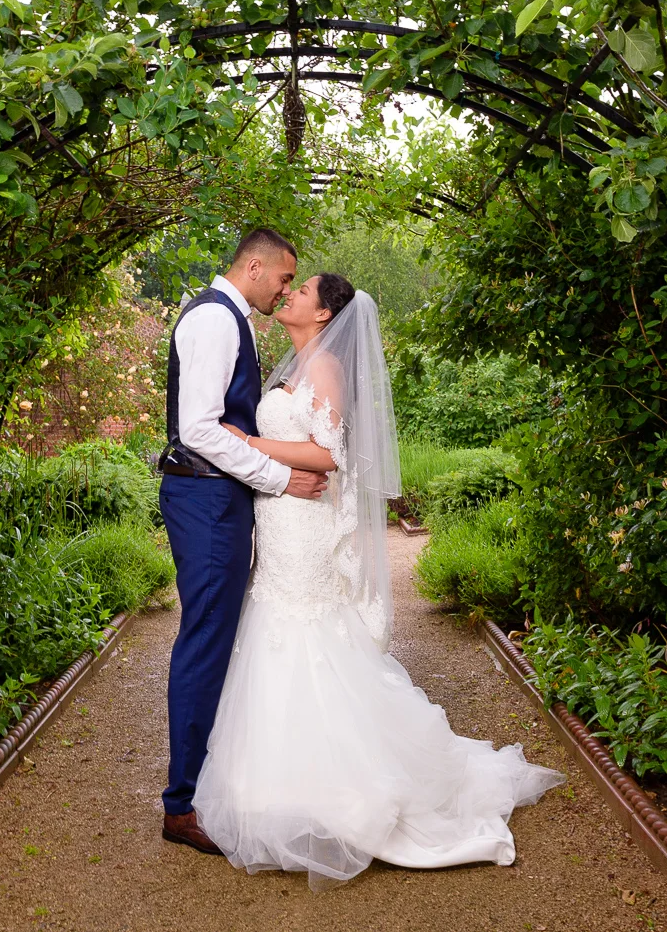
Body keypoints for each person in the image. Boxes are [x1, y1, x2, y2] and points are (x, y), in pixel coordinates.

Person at [191, 271, 564, 888]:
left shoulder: (327, 373)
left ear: (324, 314)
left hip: (304, 523)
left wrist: (249, 440)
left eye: (302, 290)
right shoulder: (293, 365)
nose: (290, 295)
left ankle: (337, 790)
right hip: (280, 519)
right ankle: (276, 789)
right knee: (276, 631)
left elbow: (331, 457)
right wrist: (255, 447)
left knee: (306, 630)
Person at [157, 228, 329, 854]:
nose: (286, 289)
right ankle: (182, 805)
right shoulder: (213, 321)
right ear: (254, 266)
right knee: (205, 638)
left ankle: (206, 784)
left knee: (219, 636)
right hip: (203, 498)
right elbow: (199, 429)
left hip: (219, 498)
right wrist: (281, 478)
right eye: (284, 278)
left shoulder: (233, 319)